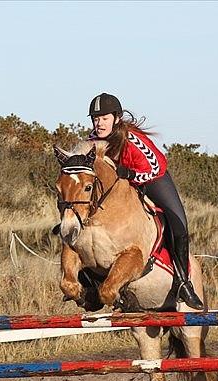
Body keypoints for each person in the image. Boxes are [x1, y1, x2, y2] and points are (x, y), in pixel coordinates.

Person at [87, 92, 204, 310]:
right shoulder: (92, 140)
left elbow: (155, 166)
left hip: (153, 178)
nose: (99, 123)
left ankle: (182, 283)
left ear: (116, 118)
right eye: (95, 119)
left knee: (178, 224)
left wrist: (131, 176)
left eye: (104, 118)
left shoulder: (132, 138)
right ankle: (92, 282)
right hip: (123, 186)